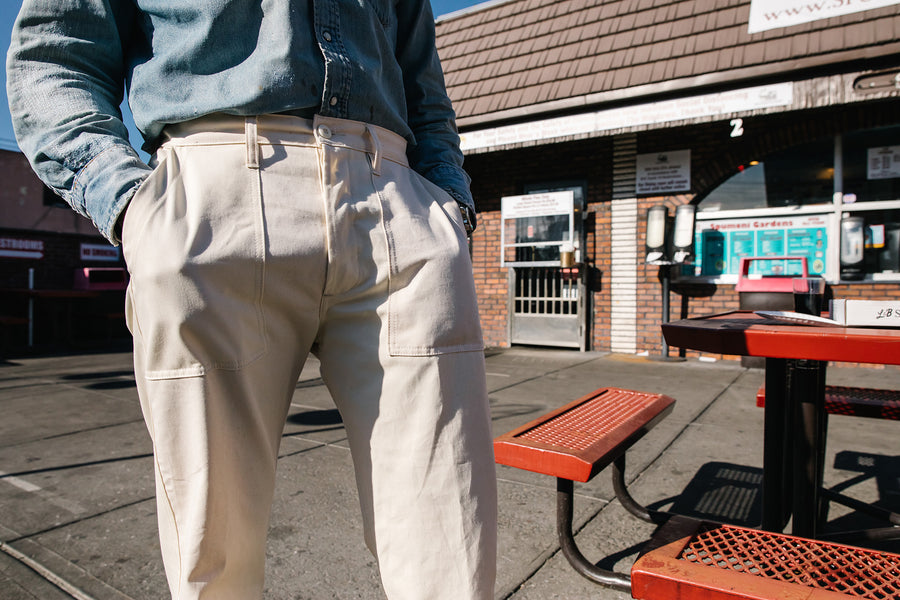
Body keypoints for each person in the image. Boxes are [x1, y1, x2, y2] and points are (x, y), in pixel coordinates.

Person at [7, 1, 497, 599]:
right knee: (214, 549)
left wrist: (449, 200)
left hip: (396, 194)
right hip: (214, 197)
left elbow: (423, 85)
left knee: (449, 533)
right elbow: (55, 58)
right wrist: (129, 203)